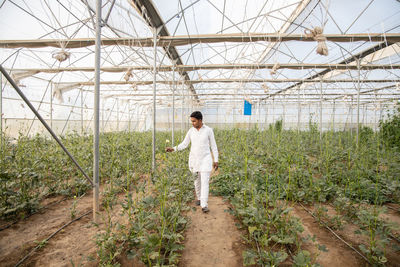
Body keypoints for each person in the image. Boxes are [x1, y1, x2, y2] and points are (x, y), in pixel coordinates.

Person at [166, 111, 218, 213]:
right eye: (191, 121)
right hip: (194, 159)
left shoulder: (208, 130)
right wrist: (174, 149)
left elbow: (214, 146)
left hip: (206, 159)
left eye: (194, 121)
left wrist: (216, 160)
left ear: (200, 120)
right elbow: (184, 144)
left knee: (205, 182)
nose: (192, 123)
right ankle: (199, 197)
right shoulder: (191, 131)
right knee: (196, 181)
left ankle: (204, 204)